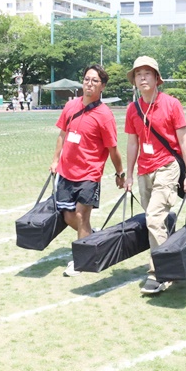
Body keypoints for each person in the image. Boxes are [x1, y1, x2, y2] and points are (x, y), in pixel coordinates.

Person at [124, 56, 186, 295]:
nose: (142, 77)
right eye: (138, 74)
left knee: (154, 219)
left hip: (167, 166)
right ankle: (168, 231)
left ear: (157, 78)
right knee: (154, 218)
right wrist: (130, 174)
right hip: (145, 171)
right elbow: (132, 143)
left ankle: (160, 273)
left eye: (148, 73)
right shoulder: (132, 109)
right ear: (134, 80)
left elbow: (183, 140)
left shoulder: (171, 104)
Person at [51, 64, 125, 277]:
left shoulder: (104, 115)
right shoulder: (71, 106)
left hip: (89, 174)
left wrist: (120, 173)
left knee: (82, 216)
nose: (89, 84)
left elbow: (113, 149)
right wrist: (55, 160)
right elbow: (62, 135)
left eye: (95, 81)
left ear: (102, 87)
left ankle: (81, 261)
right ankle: (92, 237)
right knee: (67, 216)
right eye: (86, 79)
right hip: (66, 172)